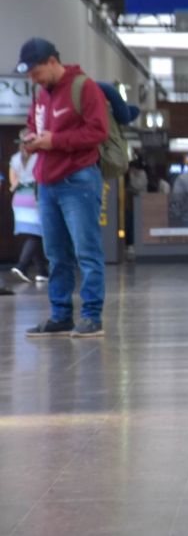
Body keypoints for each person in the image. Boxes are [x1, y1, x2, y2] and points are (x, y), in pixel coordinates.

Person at [17, 37, 108, 338]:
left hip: (78, 180)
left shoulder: (84, 87)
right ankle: (61, 315)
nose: (34, 80)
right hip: (47, 182)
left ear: (52, 62)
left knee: (87, 251)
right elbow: (33, 124)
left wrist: (54, 141)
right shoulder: (41, 95)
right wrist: (31, 139)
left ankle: (92, 316)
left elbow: (98, 131)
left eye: (36, 72)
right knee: (56, 254)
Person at [8, 129, 48, 284]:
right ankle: (22, 265)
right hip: (34, 197)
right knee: (37, 234)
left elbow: (13, 184)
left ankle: (42, 272)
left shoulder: (14, 158)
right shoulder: (39, 156)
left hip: (18, 199)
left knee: (33, 234)